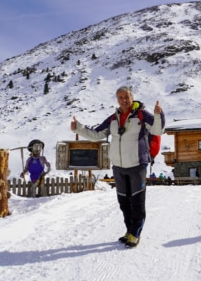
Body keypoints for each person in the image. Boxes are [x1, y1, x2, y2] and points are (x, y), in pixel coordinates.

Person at [71, 86, 165, 248]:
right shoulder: (113, 118)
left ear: (132, 97)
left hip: (137, 165)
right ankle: (129, 230)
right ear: (117, 100)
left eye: (126, 97)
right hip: (119, 167)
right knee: (124, 202)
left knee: (137, 202)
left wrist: (158, 114)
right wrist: (78, 127)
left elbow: (158, 130)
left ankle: (135, 234)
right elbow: (97, 134)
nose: (124, 100)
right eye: (120, 97)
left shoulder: (142, 115)